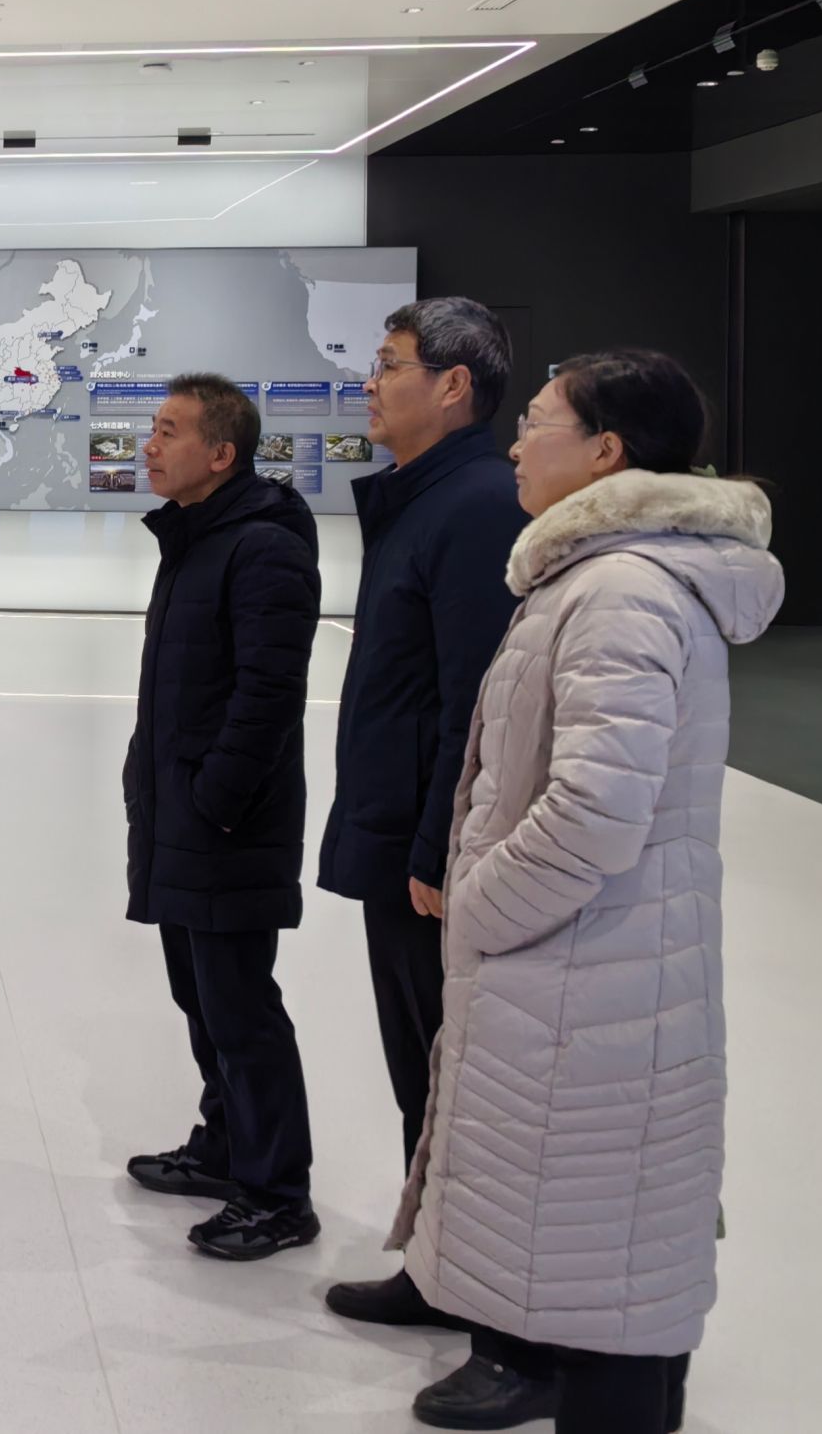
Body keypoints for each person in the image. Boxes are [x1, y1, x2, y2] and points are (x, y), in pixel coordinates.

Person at [364, 350, 783, 1432]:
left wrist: (482, 905)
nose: (515, 442)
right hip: (593, 968)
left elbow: (596, 809)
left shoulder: (621, 592)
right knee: (604, 1265)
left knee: (604, 1291)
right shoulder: (594, 576)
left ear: (604, 452)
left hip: (588, 975)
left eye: (537, 423)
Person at [318, 299, 529, 1330]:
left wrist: (436, 851)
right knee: (421, 1070)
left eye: (389, 363)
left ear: (452, 386)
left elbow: (473, 706)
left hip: (424, 856)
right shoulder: (425, 499)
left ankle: (472, 1287)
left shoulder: (476, 506)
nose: (369, 382)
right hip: (398, 834)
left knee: (449, 1073)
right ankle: (440, 1264)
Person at [120, 373, 323, 1261]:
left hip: (227, 822)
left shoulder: (262, 547)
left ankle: (278, 1193)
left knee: (241, 1007)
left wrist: (216, 800)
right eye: (153, 428)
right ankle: (227, 1147)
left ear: (221, 453)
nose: (150, 445)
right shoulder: (197, 537)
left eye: (169, 431)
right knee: (200, 997)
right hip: (183, 810)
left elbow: (269, 696)